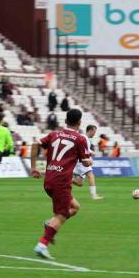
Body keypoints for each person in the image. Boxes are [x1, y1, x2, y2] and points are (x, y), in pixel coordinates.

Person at [30, 108, 91, 260]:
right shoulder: (80, 139)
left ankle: (50, 224)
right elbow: (85, 161)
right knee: (62, 215)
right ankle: (42, 244)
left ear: (65, 120)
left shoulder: (54, 134)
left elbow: (35, 144)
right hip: (61, 181)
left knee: (75, 207)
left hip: (49, 178)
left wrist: (33, 168)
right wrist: (89, 160)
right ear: (80, 122)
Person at [72, 124, 103, 201]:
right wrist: (88, 158)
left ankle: (65, 180)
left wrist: (92, 153)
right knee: (91, 175)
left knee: (80, 183)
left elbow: (86, 149)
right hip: (82, 161)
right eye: (94, 132)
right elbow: (83, 150)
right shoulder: (84, 138)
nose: (94, 134)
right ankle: (94, 196)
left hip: (80, 161)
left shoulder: (86, 138)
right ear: (90, 130)